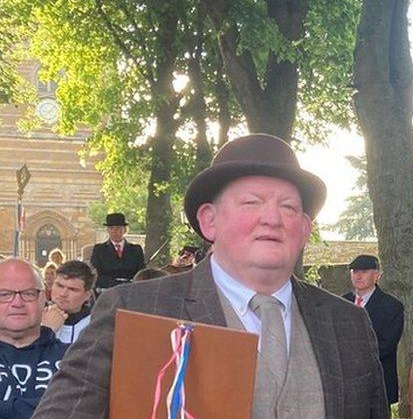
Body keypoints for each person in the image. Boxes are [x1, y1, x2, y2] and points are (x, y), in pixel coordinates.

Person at [34, 133, 389, 418]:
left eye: (288, 207)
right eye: (252, 202)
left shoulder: (350, 324)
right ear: (209, 221)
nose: (273, 218)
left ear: (305, 229)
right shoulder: (133, 310)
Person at [0, 259, 69, 418]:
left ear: (44, 298)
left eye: (28, 293)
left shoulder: (73, 359)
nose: (17, 303)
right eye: (4, 294)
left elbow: (81, 409)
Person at [342, 255, 405, 405]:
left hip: (377, 381)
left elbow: (387, 344)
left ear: (376, 275)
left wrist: (354, 357)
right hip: (345, 383)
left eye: (363, 271)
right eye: (354, 271)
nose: (358, 275)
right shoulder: (341, 302)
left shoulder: (392, 306)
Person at [41, 260, 95, 345]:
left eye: (72, 289)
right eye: (59, 286)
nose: (63, 294)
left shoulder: (95, 325)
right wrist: (46, 330)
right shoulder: (33, 318)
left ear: (87, 295)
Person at [89, 213, 145, 289]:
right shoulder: (99, 249)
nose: (114, 231)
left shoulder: (136, 249)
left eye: (118, 228)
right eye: (111, 228)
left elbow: (141, 273)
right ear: (107, 230)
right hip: (107, 289)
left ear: (125, 230)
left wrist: (128, 284)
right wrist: (115, 285)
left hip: (131, 288)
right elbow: (96, 274)